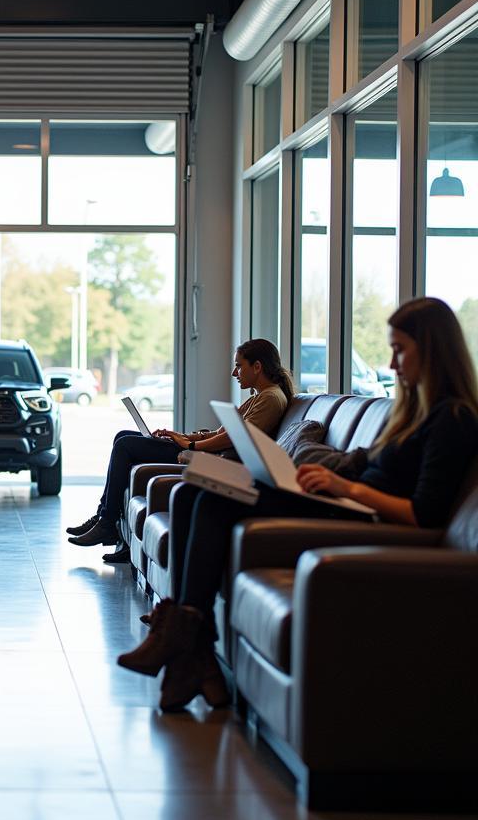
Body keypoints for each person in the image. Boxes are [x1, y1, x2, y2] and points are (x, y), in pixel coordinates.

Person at [117, 297, 478, 712]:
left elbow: (423, 513)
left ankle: (187, 646)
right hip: (340, 499)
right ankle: (195, 652)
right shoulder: (415, 412)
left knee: (214, 501)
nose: (393, 365)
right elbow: (366, 463)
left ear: (431, 349)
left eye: (400, 350)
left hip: (358, 513)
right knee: (199, 489)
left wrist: (345, 488)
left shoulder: (454, 419)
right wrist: (314, 473)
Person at [67, 339, 293, 554]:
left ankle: (107, 523)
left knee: (126, 445)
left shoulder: (271, 398)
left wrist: (192, 446)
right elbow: (220, 433)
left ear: (257, 366)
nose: (235, 373)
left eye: (238, 366)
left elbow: (236, 439)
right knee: (123, 436)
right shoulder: (259, 397)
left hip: (213, 459)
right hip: (206, 450)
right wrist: (179, 436)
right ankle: (105, 520)